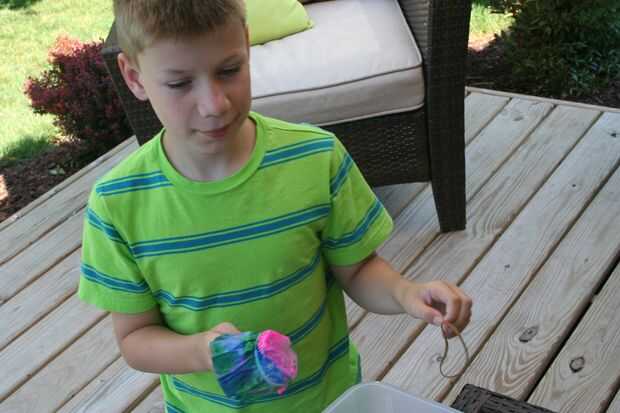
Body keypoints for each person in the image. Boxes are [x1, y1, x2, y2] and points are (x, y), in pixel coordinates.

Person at [78, 1, 473, 412]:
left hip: (326, 400)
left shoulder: (315, 158)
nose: (214, 104)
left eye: (229, 70)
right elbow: (135, 338)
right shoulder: (117, 205)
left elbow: (357, 270)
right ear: (134, 77)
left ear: (246, 44)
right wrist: (202, 352)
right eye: (179, 84)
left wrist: (406, 293)